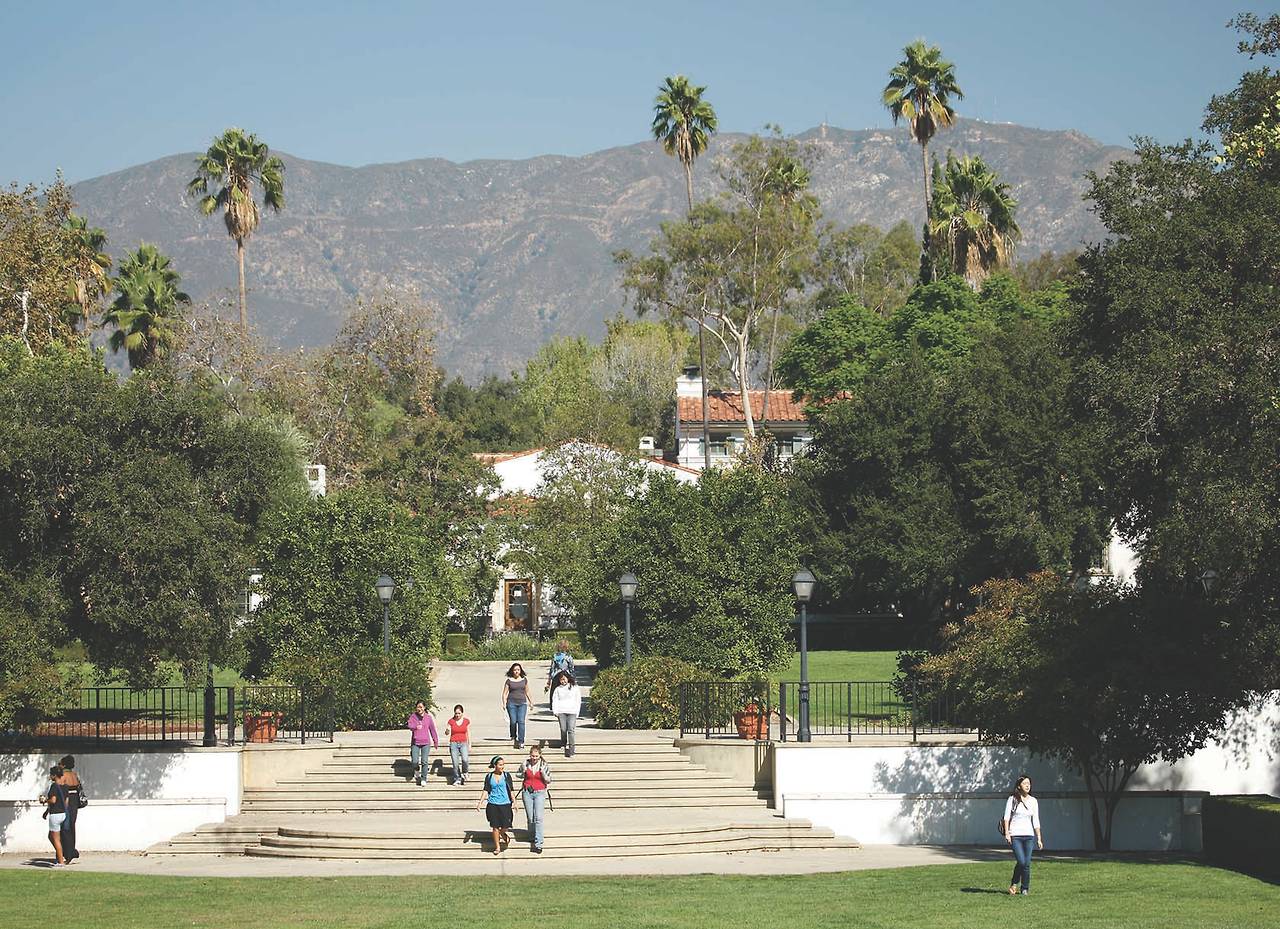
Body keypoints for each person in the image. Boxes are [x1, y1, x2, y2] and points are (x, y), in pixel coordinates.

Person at [1003, 774, 1044, 895]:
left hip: (1029, 836)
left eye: (1029, 784)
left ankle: (1024, 888)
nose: (1027, 786)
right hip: (1015, 834)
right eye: (1025, 783)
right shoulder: (1012, 799)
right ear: (1019, 786)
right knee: (1021, 861)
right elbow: (1006, 817)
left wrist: (1039, 838)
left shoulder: (1033, 801)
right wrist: (1007, 833)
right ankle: (1014, 883)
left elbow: (1036, 820)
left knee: (1027, 863)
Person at [476, 755, 514, 855]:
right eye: (500, 765)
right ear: (495, 765)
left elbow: (511, 789)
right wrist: (480, 802)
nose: (502, 767)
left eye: (503, 765)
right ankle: (497, 847)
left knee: (506, 825)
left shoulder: (506, 775)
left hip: (505, 803)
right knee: (495, 827)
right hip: (493, 804)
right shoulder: (489, 776)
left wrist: (515, 802)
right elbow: (486, 790)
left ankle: (503, 834)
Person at [519, 744, 552, 854]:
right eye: (532, 756)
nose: (534, 758)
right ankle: (531, 835)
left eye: (536, 756)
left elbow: (549, 780)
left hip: (540, 792)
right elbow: (517, 775)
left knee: (538, 818)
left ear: (540, 755)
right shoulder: (525, 763)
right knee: (530, 817)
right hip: (527, 792)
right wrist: (523, 771)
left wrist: (542, 773)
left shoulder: (544, 765)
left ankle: (538, 843)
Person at [405, 701, 439, 787]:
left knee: (424, 761)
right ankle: (416, 770)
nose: (419, 709)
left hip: (425, 743)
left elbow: (432, 730)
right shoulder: (413, 716)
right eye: (418, 707)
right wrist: (415, 727)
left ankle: (424, 778)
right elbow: (409, 725)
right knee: (415, 761)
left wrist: (435, 740)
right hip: (415, 742)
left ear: (424, 708)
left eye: (421, 707)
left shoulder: (428, 718)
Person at [550, 671, 581, 758]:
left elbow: (578, 700)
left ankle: (571, 749)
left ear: (568, 678)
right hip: (561, 711)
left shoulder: (575, 687)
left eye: (564, 679)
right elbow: (555, 700)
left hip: (572, 711)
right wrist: (555, 711)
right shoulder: (557, 689)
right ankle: (563, 742)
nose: (563, 681)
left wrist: (577, 712)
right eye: (561, 680)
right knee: (563, 729)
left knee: (571, 729)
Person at [42, 765, 67, 867]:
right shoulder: (65, 786)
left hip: (55, 815)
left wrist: (44, 800)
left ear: (54, 775)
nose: (50, 776)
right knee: (51, 836)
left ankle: (60, 861)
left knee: (56, 839)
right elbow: (65, 802)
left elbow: (53, 800)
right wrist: (47, 811)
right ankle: (60, 854)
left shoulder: (54, 786)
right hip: (63, 814)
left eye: (51, 774)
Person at [58, 755, 82, 862]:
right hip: (75, 801)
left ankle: (68, 852)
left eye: (60, 764)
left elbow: (61, 790)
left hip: (67, 801)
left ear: (63, 765)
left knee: (65, 827)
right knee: (72, 825)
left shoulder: (63, 775)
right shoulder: (74, 775)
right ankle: (72, 849)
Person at [501, 663, 529, 749]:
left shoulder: (524, 680)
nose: (516, 671)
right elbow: (505, 693)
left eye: (518, 670)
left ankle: (521, 741)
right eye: (515, 670)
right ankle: (513, 735)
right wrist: (504, 703)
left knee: (521, 721)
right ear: (512, 671)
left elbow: (527, 691)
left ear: (520, 671)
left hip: (522, 703)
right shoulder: (509, 681)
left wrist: (531, 702)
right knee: (513, 721)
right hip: (511, 703)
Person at [445, 704, 471, 786]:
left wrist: (469, 743)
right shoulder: (451, 721)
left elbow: (468, 732)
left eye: (459, 713)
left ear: (462, 713)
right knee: (455, 763)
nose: (457, 715)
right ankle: (457, 778)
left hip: (463, 743)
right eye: (456, 713)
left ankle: (465, 772)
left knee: (465, 759)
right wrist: (447, 731)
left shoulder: (466, 721)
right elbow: (447, 732)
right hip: (454, 743)